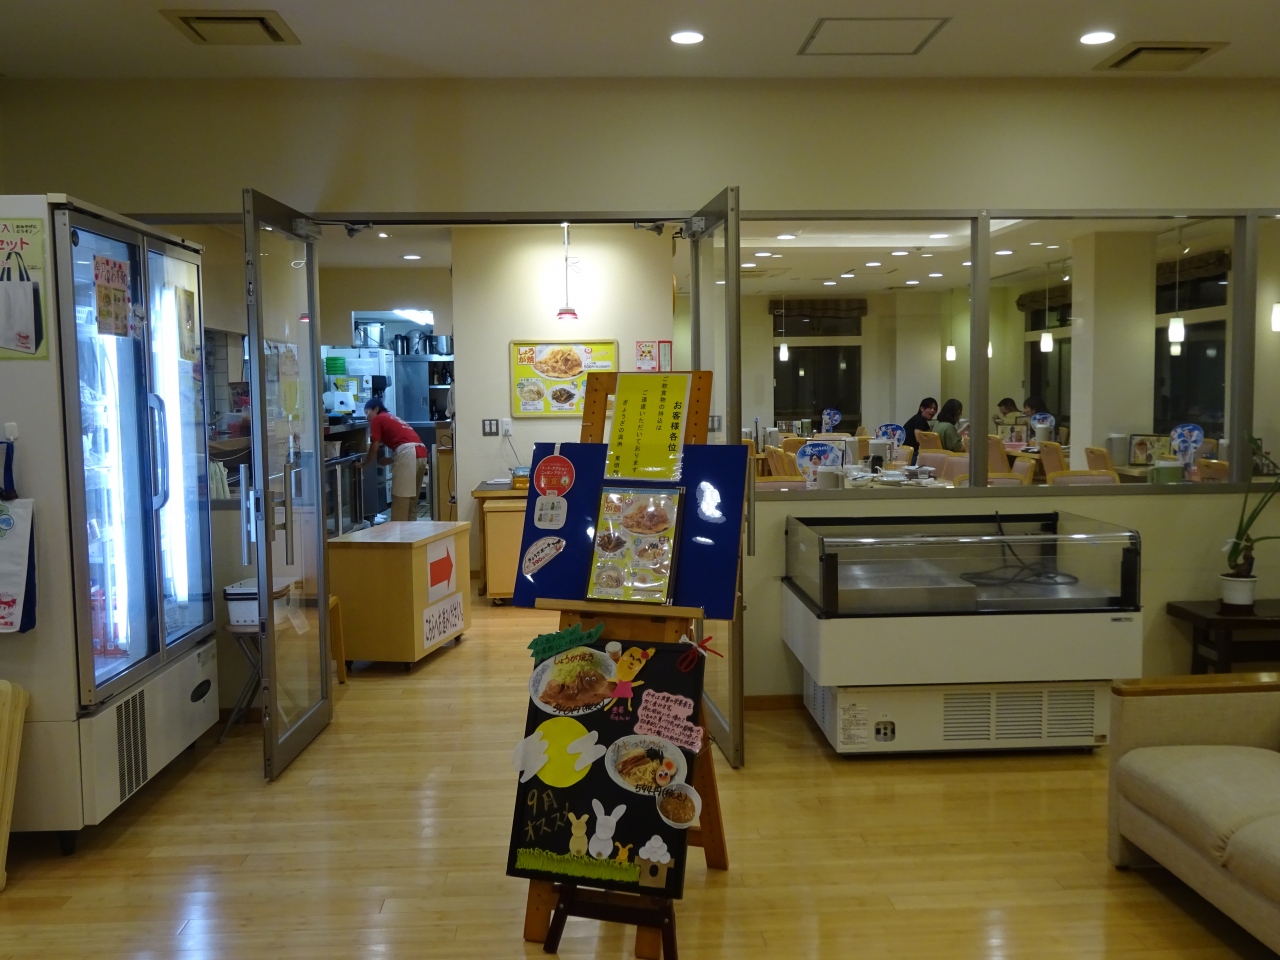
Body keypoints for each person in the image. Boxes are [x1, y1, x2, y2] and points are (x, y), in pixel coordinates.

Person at [363, 398, 426, 521]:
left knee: (400, 502)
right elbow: (407, 443)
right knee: (411, 502)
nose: (366, 417)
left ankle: (398, 533)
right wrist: (392, 459)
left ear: (376, 409)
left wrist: (366, 464)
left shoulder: (377, 419)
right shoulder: (392, 418)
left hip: (408, 453)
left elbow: (374, 445)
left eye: (367, 412)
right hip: (421, 453)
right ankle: (411, 532)